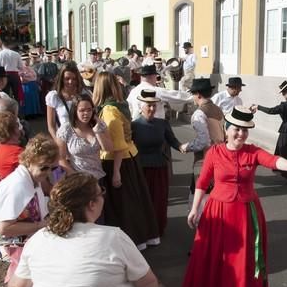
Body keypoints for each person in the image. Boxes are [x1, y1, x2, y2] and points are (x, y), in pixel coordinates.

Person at [4, 172, 175, 287]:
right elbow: (148, 282)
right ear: (91, 204)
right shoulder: (113, 238)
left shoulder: (38, 239)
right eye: (101, 192)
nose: (103, 196)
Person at [181, 106, 287, 287]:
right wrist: (194, 209)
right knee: (218, 259)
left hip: (245, 214)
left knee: (241, 260)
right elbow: (202, 182)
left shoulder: (252, 151)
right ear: (227, 129)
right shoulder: (214, 152)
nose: (241, 134)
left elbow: (272, 159)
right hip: (217, 214)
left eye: (245, 130)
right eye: (237, 129)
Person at [93, 72, 159, 249]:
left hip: (118, 161)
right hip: (130, 156)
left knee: (124, 206)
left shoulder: (109, 110)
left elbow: (117, 144)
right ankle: (141, 238)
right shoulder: (121, 105)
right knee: (135, 202)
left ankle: (129, 243)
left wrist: (115, 173)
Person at [0, 134, 57, 278]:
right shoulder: (18, 186)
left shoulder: (31, 177)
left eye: (52, 168)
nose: (48, 173)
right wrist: (40, 225)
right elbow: (4, 229)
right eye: (44, 168)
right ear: (29, 161)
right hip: (11, 246)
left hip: (23, 239)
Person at [131, 90, 183, 237]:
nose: (152, 109)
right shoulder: (133, 125)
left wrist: (184, 147)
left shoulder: (163, 123)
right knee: (142, 202)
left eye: (154, 105)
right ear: (141, 106)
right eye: (148, 105)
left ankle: (157, 230)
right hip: (141, 170)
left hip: (160, 168)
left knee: (159, 201)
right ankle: (143, 231)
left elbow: (173, 141)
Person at [180, 78, 225, 206]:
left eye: (193, 94)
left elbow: (203, 141)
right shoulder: (218, 109)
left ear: (198, 94)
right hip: (221, 156)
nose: (193, 97)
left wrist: (187, 146)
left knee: (201, 197)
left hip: (205, 158)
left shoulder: (199, 113)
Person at [56, 94, 112, 181]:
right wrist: (74, 176)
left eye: (89, 110)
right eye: (82, 110)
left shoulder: (100, 125)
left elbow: (109, 148)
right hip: (78, 178)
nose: (86, 113)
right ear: (75, 111)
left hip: (99, 177)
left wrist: (97, 130)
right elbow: (61, 158)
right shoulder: (66, 129)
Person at [126, 65, 193, 121]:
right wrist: (194, 95)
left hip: (136, 126)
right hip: (154, 125)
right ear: (153, 76)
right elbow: (178, 96)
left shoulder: (133, 91)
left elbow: (129, 108)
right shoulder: (156, 91)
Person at [45, 62, 85, 140]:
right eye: (67, 78)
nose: (70, 82)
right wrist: (58, 142)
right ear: (61, 79)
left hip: (83, 138)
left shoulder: (83, 93)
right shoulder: (54, 96)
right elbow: (51, 126)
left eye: (74, 79)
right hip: (64, 139)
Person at [0, 40, 24, 107]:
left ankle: (5, 108)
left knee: (4, 93)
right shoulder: (16, 54)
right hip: (14, 75)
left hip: (4, 75)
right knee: (17, 93)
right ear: (9, 45)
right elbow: (20, 66)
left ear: (2, 45)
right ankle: (18, 110)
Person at [19, 53, 42, 117]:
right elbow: (21, 78)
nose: (27, 61)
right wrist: (25, 80)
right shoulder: (21, 69)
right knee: (27, 100)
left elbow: (35, 76)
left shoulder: (30, 68)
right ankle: (27, 114)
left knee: (34, 99)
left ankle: (34, 113)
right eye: (26, 60)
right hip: (26, 86)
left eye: (28, 60)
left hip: (33, 85)